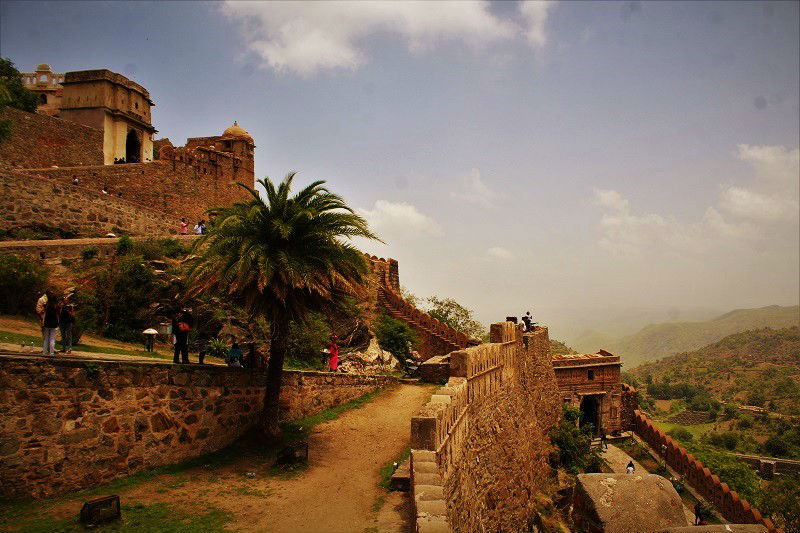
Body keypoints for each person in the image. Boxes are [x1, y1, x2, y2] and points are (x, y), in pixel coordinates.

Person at [36, 289, 60, 356]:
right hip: (54, 323)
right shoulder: (56, 306)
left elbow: (40, 311)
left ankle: (44, 352)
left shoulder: (46, 305)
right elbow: (58, 314)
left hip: (47, 322)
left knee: (46, 338)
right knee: (52, 338)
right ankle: (51, 352)